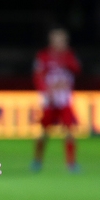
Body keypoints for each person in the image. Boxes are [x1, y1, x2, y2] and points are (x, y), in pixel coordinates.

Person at [31, 28, 81, 173]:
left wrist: (66, 60)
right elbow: (38, 76)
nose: (60, 43)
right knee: (44, 133)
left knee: (70, 131)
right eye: (57, 40)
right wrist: (46, 92)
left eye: (63, 40)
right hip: (50, 102)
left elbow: (77, 69)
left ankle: (71, 164)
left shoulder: (69, 55)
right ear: (51, 41)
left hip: (64, 100)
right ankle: (37, 161)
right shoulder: (43, 56)